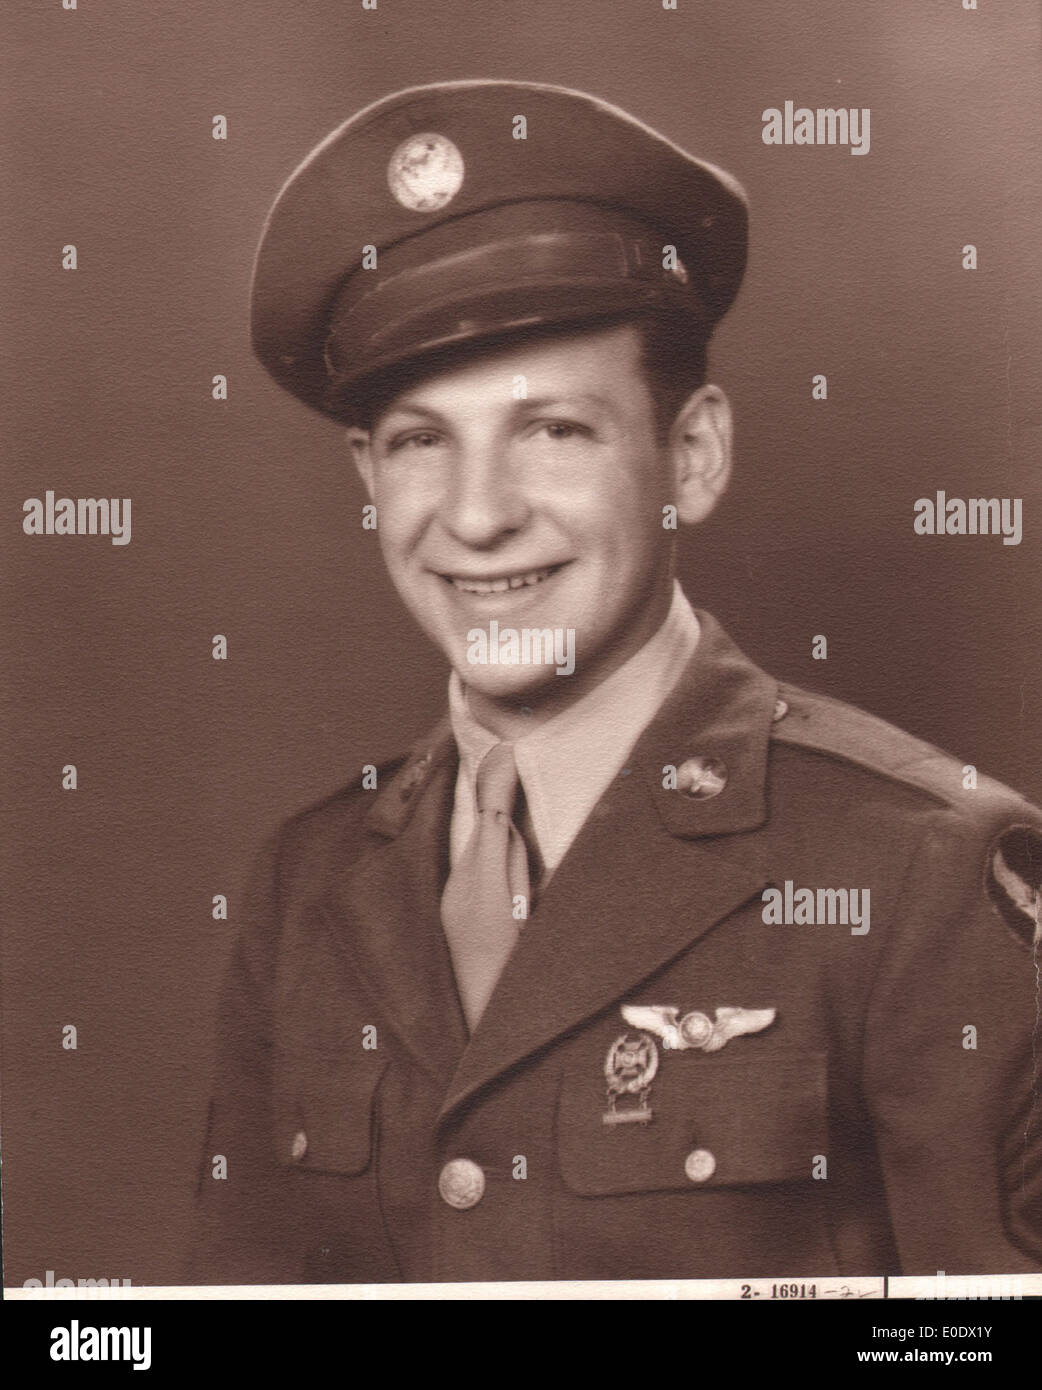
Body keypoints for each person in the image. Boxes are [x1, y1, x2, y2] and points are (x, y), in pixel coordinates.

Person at [187, 80, 1042, 1285]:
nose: (476, 516)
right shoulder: (308, 881)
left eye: (553, 431)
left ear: (689, 456)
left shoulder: (918, 869)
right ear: (368, 477)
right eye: (424, 441)